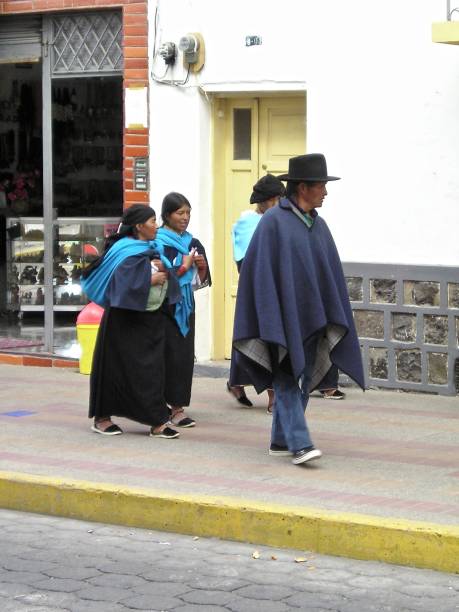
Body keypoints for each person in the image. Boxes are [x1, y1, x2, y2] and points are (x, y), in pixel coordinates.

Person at [231, 154, 365, 466]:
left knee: (303, 377)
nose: (326, 192)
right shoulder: (273, 223)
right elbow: (260, 275)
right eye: (321, 186)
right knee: (287, 379)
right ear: (302, 187)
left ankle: (281, 439)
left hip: (311, 319)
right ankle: (300, 444)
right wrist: (269, 318)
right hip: (278, 321)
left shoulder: (318, 226)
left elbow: (326, 272)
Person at [81, 204, 187, 439]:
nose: (156, 226)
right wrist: (150, 279)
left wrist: (164, 272)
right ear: (139, 226)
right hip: (123, 321)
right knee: (113, 369)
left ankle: (158, 421)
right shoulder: (124, 250)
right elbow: (121, 284)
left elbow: (162, 275)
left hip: (149, 319)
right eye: (151, 222)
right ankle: (102, 418)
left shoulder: (152, 247)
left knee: (151, 370)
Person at [227, 174, 285, 412]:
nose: (280, 203)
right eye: (276, 199)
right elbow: (243, 260)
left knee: (261, 337)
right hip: (254, 289)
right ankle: (273, 396)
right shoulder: (247, 223)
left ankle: (235, 381)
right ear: (265, 201)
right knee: (257, 336)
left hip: (278, 288)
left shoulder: (282, 220)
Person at [154, 192, 211, 428]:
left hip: (184, 307)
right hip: (160, 307)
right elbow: (157, 274)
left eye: (188, 213)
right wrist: (182, 267)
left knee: (182, 356)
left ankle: (177, 408)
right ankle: (157, 405)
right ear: (167, 215)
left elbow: (203, 281)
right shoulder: (156, 242)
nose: (185, 217)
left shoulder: (193, 243)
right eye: (180, 213)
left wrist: (201, 268)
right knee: (160, 357)